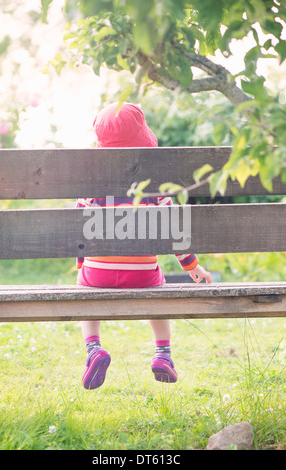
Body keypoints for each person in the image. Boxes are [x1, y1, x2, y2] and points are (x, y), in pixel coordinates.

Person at [76, 102, 212, 390]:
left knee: (82, 285)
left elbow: (77, 228)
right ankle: (163, 353)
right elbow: (173, 227)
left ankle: (93, 349)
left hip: (96, 276)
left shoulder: (90, 181)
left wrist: (82, 264)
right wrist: (191, 265)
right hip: (143, 274)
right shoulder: (154, 185)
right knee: (157, 285)